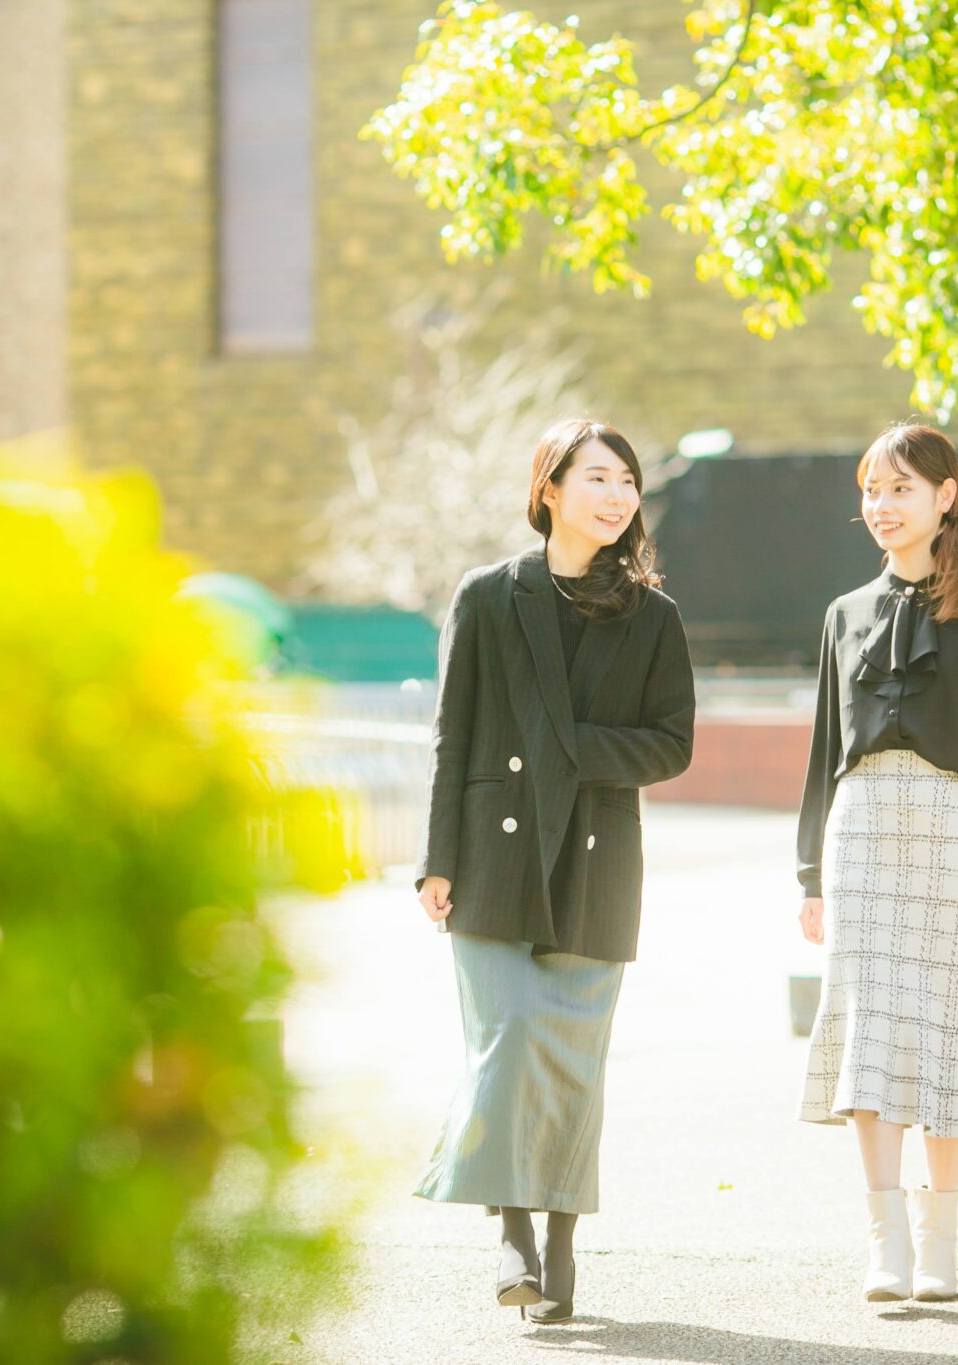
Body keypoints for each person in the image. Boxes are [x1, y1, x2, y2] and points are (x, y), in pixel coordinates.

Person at [414, 417, 696, 1324]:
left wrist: (566, 750)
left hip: (597, 857)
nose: (616, 497)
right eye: (597, 478)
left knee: (573, 1060)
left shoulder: (655, 618)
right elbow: (452, 733)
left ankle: (564, 1229)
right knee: (503, 1050)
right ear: (550, 489)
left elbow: (671, 744)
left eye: (628, 482)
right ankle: (512, 1228)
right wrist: (435, 860)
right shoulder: (489, 597)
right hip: (491, 858)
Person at [794, 423, 958, 1303]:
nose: (882, 506)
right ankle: (884, 1238)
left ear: (946, 496)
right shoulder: (843, 615)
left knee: (941, 1025)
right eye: (871, 490)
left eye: (900, 489)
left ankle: (941, 1241)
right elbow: (825, 752)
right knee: (867, 1026)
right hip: (858, 832)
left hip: (950, 827)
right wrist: (809, 875)